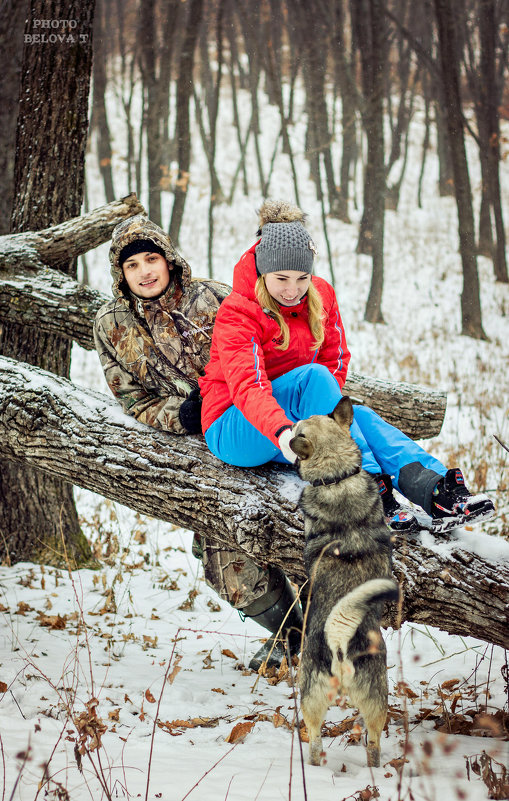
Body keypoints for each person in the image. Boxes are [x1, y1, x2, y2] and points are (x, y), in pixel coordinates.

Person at [199, 199, 496, 667]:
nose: (294, 290)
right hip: (236, 426)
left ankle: (432, 485)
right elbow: (247, 386)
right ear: (260, 271)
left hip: (298, 418)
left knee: (361, 414)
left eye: (301, 278)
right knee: (317, 382)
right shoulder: (238, 312)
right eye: (281, 280)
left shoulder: (322, 294)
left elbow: (337, 356)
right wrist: (284, 433)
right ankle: (374, 491)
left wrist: (325, 423)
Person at [94, 215, 283, 665]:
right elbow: (131, 398)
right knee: (226, 566)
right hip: (194, 449)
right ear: (121, 274)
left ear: (169, 259)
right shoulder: (110, 324)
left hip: (252, 427)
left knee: (289, 526)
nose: (145, 272)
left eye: (152, 259)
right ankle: (292, 633)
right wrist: (181, 415)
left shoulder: (215, 298)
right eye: (133, 264)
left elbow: (268, 355)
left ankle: (330, 629)